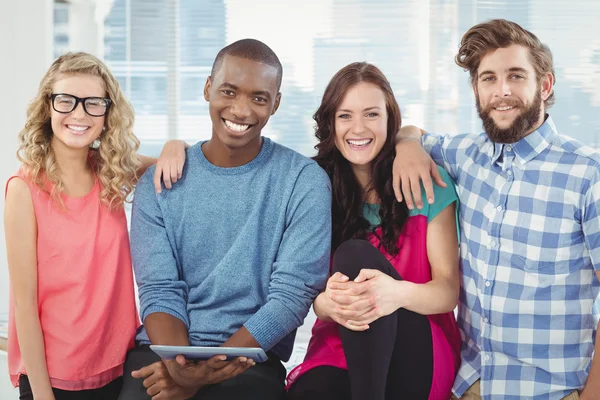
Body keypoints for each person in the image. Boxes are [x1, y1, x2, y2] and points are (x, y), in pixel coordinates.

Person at [393, 19, 600, 399]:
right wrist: (407, 145)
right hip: (469, 383)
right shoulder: (463, 154)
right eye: (488, 79)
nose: (501, 91)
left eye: (516, 76)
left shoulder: (589, 174)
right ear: (476, 89)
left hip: (553, 391)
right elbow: (413, 133)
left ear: (546, 84)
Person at [117, 38, 332, 400]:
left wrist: (204, 375)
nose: (241, 110)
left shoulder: (303, 182)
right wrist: (182, 369)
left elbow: (291, 297)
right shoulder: (158, 186)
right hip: (164, 352)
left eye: (259, 98)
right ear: (207, 89)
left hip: (250, 359)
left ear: (275, 103)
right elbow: (159, 290)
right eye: (229, 92)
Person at [4, 52, 182, 400]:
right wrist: (42, 396)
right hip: (52, 380)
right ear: (48, 107)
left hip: (117, 368)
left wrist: (174, 144)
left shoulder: (113, 171)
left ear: (107, 113)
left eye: (93, 103)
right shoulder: (24, 189)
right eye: (66, 101)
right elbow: (24, 305)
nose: (79, 114)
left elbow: (177, 161)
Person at [285, 62, 461, 400]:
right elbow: (311, 297)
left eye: (371, 114)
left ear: (389, 119)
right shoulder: (313, 186)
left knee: (354, 254)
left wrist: (394, 294)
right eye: (345, 116)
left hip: (417, 339)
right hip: (341, 341)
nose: (358, 128)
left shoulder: (428, 183)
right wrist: (327, 305)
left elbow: (447, 292)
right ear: (331, 123)